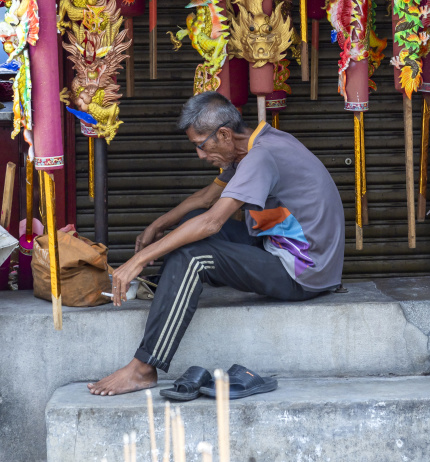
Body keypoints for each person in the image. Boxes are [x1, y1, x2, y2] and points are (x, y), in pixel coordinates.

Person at [88, 91, 345, 396]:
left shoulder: (261, 156)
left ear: (223, 134)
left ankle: (143, 369)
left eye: (200, 145)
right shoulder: (255, 146)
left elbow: (213, 221)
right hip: (285, 250)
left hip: (301, 272)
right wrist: (158, 226)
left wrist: (138, 260)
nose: (200, 155)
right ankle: (167, 291)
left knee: (193, 256)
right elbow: (207, 199)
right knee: (190, 225)